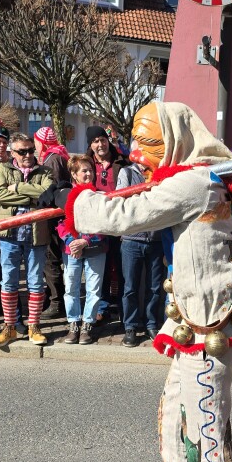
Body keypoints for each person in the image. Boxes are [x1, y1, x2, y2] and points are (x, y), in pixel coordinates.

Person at [42, 101, 232, 462]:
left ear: (177, 138)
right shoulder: (199, 175)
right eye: (137, 143)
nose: (138, 153)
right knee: (172, 416)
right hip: (195, 322)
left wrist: (76, 201)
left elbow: (127, 215)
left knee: (207, 431)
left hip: (209, 330)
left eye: (149, 143)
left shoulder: (196, 182)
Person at [0, 133, 52, 347]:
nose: (27, 154)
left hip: (36, 234)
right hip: (10, 235)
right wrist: (33, 195)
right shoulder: (3, 169)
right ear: (12, 152)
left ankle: (33, 326)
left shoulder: (45, 171)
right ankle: (9, 327)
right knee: (8, 280)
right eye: (22, 151)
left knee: (35, 282)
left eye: (30, 150)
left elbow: (47, 195)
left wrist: (16, 188)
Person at [58, 155, 108, 345]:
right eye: (84, 171)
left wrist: (85, 241)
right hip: (72, 250)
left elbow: (104, 223)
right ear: (74, 174)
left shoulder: (99, 195)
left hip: (95, 247)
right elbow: (60, 222)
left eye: (90, 170)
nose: (88, 174)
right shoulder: (65, 195)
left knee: (94, 288)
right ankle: (73, 324)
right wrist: (73, 242)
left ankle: (87, 325)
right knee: (70, 287)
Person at [116, 158, 165, 347]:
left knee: (154, 287)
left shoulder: (160, 171)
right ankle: (130, 326)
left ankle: (151, 323)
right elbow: (123, 201)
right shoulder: (127, 173)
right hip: (131, 239)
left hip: (155, 238)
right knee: (130, 288)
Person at [86, 125, 124, 323]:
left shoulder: (121, 162)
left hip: (118, 221)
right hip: (97, 222)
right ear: (90, 145)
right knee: (101, 266)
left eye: (102, 139)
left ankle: (121, 303)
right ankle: (102, 305)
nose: (100, 144)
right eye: (95, 141)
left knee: (119, 265)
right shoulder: (87, 164)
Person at [34, 125, 70, 316]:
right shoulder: (60, 154)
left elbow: (52, 189)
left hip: (53, 217)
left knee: (51, 259)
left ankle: (56, 302)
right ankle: (55, 297)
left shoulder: (52, 159)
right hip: (59, 216)